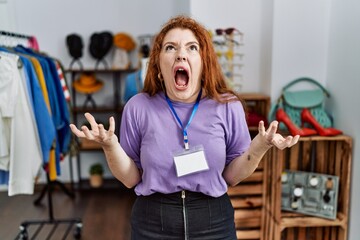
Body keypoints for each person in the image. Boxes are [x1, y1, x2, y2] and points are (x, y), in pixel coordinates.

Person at [70, 15, 299, 240]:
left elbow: (232, 176)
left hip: (214, 221)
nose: (181, 54)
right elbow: (131, 179)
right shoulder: (138, 107)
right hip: (152, 221)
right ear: (158, 65)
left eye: (192, 48)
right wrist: (110, 146)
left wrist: (259, 146)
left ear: (203, 63)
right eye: (170, 48)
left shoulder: (228, 106)